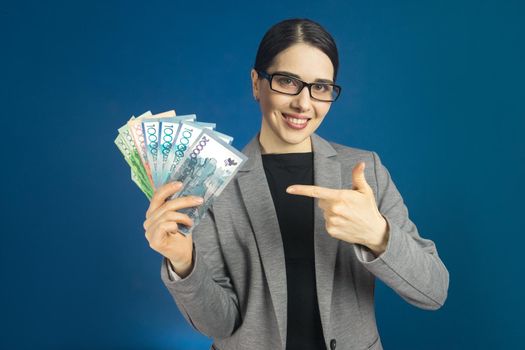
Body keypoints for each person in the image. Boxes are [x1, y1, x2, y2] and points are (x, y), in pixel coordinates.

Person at [143, 18, 449, 350]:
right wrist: (183, 261)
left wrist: (378, 235)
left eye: (320, 87)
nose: (304, 103)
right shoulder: (212, 181)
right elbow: (220, 323)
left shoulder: (366, 171)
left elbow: (433, 291)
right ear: (257, 83)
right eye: (288, 81)